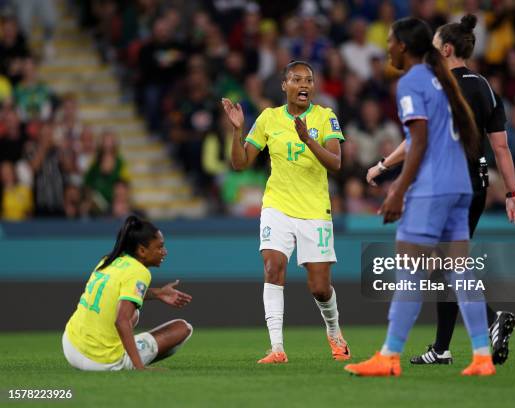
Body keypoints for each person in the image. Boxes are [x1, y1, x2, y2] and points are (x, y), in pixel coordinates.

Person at [365, 14, 515, 366]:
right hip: (477, 187)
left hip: (442, 185)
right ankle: (443, 347)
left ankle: (486, 321)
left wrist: (383, 166)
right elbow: (500, 149)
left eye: (435, 46)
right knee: (446, 264)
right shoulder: (484, 87)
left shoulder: (437, 86)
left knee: (435, 263)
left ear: (447, 48)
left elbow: (418, 140)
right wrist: (513, 194)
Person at [345, 17, 495, 377]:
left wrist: (397, 190)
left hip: (433, 188)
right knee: (460, 271)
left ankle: (389, 356)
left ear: (404, 46)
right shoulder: (439, 80)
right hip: (461, 183)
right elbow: (446, 134)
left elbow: (420, 140)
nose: (387, 48)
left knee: (410, 270)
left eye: (391, 41)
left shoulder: (412, 81)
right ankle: (481, 356)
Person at [221, 60, 350, 364]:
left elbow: (336, 162)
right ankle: (276, 348)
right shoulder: (268, 118)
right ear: (285, 85)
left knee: (319, 287)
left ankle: (334, 333)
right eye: (297, 79)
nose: (304, 85)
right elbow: (240, 164)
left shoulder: (325, 117)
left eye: (308, 80)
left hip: (315, 210)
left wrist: (308, 140)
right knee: (272, 267)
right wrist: (237, 131)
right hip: (277, 206)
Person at [62, 215, 193, 371]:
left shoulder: (108, 260)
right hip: (102, 361)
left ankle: (119, 348)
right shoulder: (139, 272)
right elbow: (121, 321)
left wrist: (158, 293)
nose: (164, 252)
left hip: (70, 346)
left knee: (134, 313)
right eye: (159, 247)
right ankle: (132, 361)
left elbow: (115, 293)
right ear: (142, 250)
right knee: (183, 328)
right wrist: (140, 367)